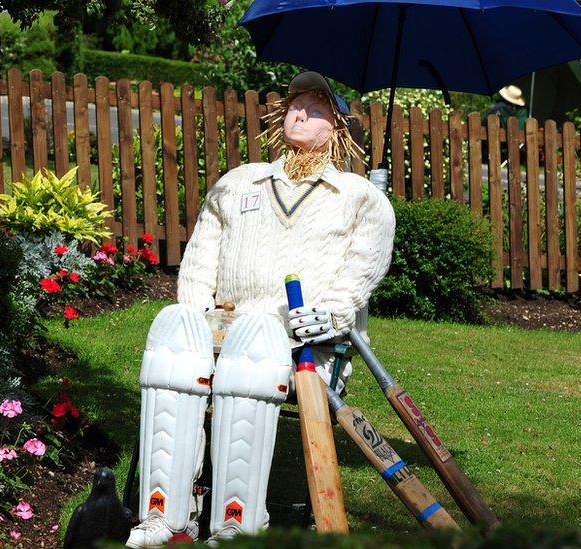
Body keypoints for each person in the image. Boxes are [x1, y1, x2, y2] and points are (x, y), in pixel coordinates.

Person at [126, 71, 395, 547]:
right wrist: (194, 322)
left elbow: (359, 276)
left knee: (249, 361)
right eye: (294, 103)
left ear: (338, 127)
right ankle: (163, 515)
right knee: (172, 343)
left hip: (300, 344)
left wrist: (329, 315)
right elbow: (200, 260)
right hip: (219, 330)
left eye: (314, 108)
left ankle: (236, 524)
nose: (298, 112)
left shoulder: (360, 199)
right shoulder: (240, 181)